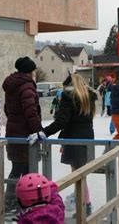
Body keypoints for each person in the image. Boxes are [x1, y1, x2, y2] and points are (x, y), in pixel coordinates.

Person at [28, 73, 97, 216]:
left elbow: (61, 121)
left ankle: (85, 206)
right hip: (87, 138)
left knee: (78, 175)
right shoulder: (87, 97)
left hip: (74, 139)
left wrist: (43, 133)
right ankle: (85, 203)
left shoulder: (69, 97)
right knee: (79, 174)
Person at [2, 56, 42, 213]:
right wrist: (38, 130)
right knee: (27, 170)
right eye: (33, 70)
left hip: (13, 132)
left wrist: (14, 121)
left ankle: (11, 202)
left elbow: (7, 108)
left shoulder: (12, 85)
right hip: (26, 134)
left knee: (17, 168)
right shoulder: (26, 87)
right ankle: (25, 203)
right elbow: (30, 111)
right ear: (29, 71)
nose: (34, 73)